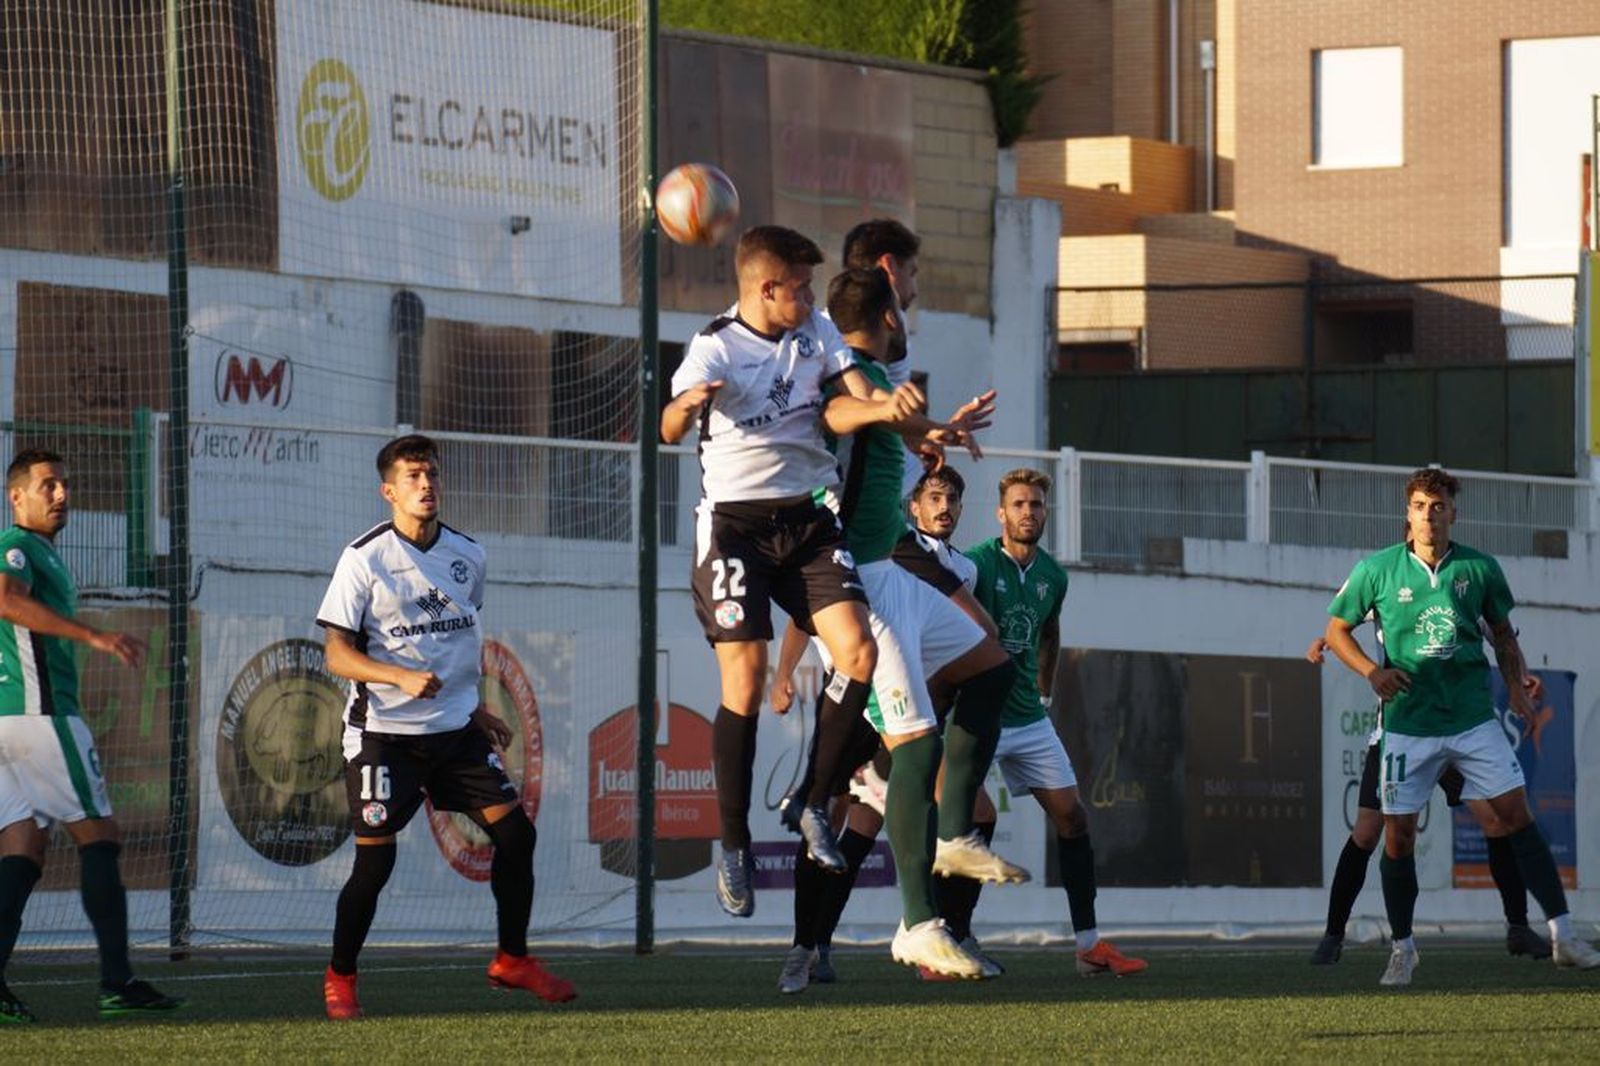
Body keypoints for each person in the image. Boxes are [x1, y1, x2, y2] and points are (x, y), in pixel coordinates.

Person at [773, 268, 1024, 990]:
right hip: (857, 586)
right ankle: (914, 925)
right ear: (889, 303)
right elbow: (842, 415)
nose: (916, 291)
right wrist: (886, 409)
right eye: (909, 280)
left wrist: (929, 428)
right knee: (907, 751)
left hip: (890, 576)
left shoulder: (876, 371)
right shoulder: (847, 371)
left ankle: (951, 838)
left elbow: (881, 422)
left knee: (992, 667)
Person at [661, 225, 890, 918]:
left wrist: (884, 407)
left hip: (809, 519)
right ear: (767, 289)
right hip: (734, 528)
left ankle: (814, 802)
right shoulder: (715, 345)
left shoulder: (816, 329)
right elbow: (667, 427)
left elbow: (842, 403)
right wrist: (686, 406)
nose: (812, 295)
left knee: (858, 652)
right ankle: (732, 844)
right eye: (800, 285)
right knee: (748, 678)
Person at [317, 435, 573, 1020]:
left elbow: (458, 641)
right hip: (383, 735)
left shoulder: (468, 554)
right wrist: (395, 677)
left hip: (454, 733)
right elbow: (336, 654)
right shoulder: (364, 558)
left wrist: (475, 708)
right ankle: (341, 976)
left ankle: (512, 960)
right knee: (375, 864)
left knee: (516, 837)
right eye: (412, 477)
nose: (425, 484)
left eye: (430, 473)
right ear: (389, 491)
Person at [1323, 466, 1600, 986]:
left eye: (1439, 505)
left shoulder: (1481, 568)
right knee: (1397, 837)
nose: (1430, 514)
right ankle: (1403, 948)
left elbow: (1503, 634)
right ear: (1407, 513)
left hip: (1473, 719)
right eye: (1421, 505)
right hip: (1408, 724)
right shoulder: (1377, 570)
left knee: (1515, 814)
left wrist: (1516, 687)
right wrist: (1373, 672)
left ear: (1454, 512)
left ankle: (1562, 933)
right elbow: (1336, 631)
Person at [0, 448, 183, 1024]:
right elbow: (5, 601)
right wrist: (92, 636)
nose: (61, 495)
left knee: (23, 849)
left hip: (10, 724)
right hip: (43, 719)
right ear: (17, 495)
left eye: (65, 485)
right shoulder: (19, 547)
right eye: (48, 485)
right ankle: (118, 981)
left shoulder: (43, 553)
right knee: (99, 836)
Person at [949, 468, 1147, 978]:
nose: (1028, 512)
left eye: (1036, 505)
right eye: (1018, 504)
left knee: (1073, 818)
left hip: (1028, 716)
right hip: (975, 716)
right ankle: (951, 937)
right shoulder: (974, 566)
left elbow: (1049, 633)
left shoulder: (1053, 577)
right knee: (971, 823)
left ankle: (1087, 946)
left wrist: (1044, 689)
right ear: (1001, 513)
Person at [1304, 633, 1550, 964]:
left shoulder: (1467, 583)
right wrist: (1329, 637)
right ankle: (1333, 935)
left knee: (1496, 820)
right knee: (1367, 833)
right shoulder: (1384, 581)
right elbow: (1344, 621)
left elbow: (1502, 634)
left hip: (1459, 731)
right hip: (1402, 732)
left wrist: (1521, 676)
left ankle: (1518, 927)